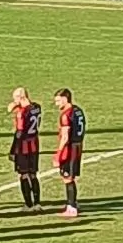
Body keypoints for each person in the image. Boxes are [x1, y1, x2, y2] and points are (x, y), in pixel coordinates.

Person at [8, 87, 44, 211]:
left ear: (21, 97)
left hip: (23, 146)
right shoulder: (37, 107)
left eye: (15, 98)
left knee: (23, 175)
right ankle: (37, 203)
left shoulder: (21, 113)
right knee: (33, 174)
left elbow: (19, 133)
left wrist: (13, 150)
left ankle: (28, 204)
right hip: (34, 144)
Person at [53, 89, 86, 217]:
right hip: (78, 145)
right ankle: (73, 203)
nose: (56, 104)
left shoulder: (66, 115)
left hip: (70, 148)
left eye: (58, 101)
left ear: (65, 99)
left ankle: (71, 207)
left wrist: (58, 154)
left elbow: (65, 137)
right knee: (70, 177)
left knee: (67, 177)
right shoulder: (78, 110)